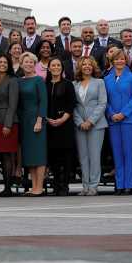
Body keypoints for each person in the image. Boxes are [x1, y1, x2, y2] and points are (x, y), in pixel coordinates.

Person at [104, 48, 132, 193]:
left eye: (122, 59)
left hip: (129, 120)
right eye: (117, 59)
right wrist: (112, 113)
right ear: (112, 61)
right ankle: (119, 184)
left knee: (128, 152)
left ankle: (129, 185)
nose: (120, 61)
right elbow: (104, 99)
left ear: (126, 61)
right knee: (117, 153)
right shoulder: (106, 79)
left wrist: (124, 113)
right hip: (113, 120)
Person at [72, 55, 108, 195]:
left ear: (93, 67)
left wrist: (90, 121)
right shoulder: (74, 84)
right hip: (79, 125)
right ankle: (85, 185)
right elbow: (73, 105)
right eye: (84, 64)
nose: (87, 66)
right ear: (79, 67)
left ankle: (93, 185)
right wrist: (80, 122)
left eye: (89, 64)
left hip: (96, 125)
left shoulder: (99, 82)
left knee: (94, 155)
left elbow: (102, 103)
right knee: (83, 156)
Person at [16, 52, 48, 197]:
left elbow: (43, 101)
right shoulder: (19, 81)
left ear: (34, 64)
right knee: (29, 156)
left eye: (31, 62)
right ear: (21, 64)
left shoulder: (39, 80)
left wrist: (39, 120)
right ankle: (33, 186)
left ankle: (39, 187)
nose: (28, 64)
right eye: (26, 62)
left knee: (39, 155)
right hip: (24, 120)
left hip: (36, 120)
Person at [44, 57, 75, 196]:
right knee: (53, 156)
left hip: (65, 124)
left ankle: (65, 184)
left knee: (66, 156)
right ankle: (56, 184)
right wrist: (47, 119)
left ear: (62, 68)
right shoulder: (45, 84)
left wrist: (62, 119)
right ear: (49, 68)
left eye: (58, 65)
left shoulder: (68, 84)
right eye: (53, 65)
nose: (55, 67)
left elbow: (71, 104)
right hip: (49, 124)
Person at [0, 53, 20, 193]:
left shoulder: (12, 80)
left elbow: (13, 104)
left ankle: (8, 187)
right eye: (0, 62)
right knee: (2, 155)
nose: (2, 64)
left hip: (8, 123)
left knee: (8, 155)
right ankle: (6, 185)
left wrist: (7, 125)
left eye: (5, 62)